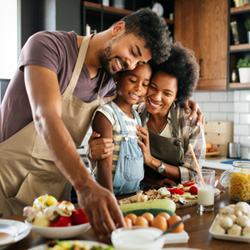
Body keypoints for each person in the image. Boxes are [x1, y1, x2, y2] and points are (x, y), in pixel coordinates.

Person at [0, 8, 171, 236]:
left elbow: (140, 101)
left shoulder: (109, 82)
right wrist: (85, 185)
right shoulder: (48, 46)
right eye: (133, 51)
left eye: (139, 60)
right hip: (8, 179)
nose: (131, 64)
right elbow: (46, 116)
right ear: (118, 28)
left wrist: (186, 105)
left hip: (52, 193)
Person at [88, 42, 206, 190]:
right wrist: (92, 152)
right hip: (141, 193)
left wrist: (151, 161)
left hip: (180, 195)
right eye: (152, 87)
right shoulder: (134, 113)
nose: (156, 97)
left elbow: (193, 173)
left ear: (178, 96)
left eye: (167, 93)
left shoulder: (190, 120)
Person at [91, 63, 152, 195]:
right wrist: (109, 197)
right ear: (117, 77)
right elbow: (104, 164)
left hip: (133, 194)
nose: (138, 88)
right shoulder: (106, 114)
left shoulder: (136, 117)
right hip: (109, 194)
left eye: (144, 84)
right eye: (132, 80)